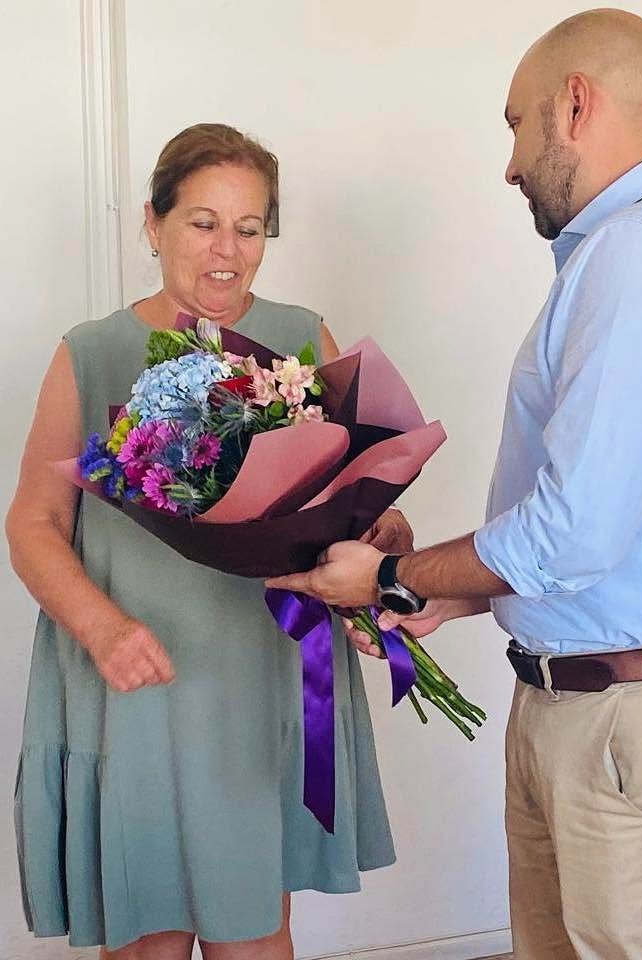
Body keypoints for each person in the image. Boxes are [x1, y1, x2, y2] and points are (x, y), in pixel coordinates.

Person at [268, 10, 642, 960]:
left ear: (575, 104)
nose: (509, 165)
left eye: (516, 123)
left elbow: (575, 530)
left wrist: (396, 577)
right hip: (603, 716)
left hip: (636, 729)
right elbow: (622, 522)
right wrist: (453, 594)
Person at [6, 122, 412, 960]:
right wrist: (101, 629)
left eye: (249, 228)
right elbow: (33, 523)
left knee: (255, 932)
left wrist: (384, 540)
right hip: (135, 681)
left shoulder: (302, 338)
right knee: (146, 939)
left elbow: (357, 505)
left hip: (261, 679)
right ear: (153, 225)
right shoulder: (89, 354)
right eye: (203, 223)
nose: (228, 250)